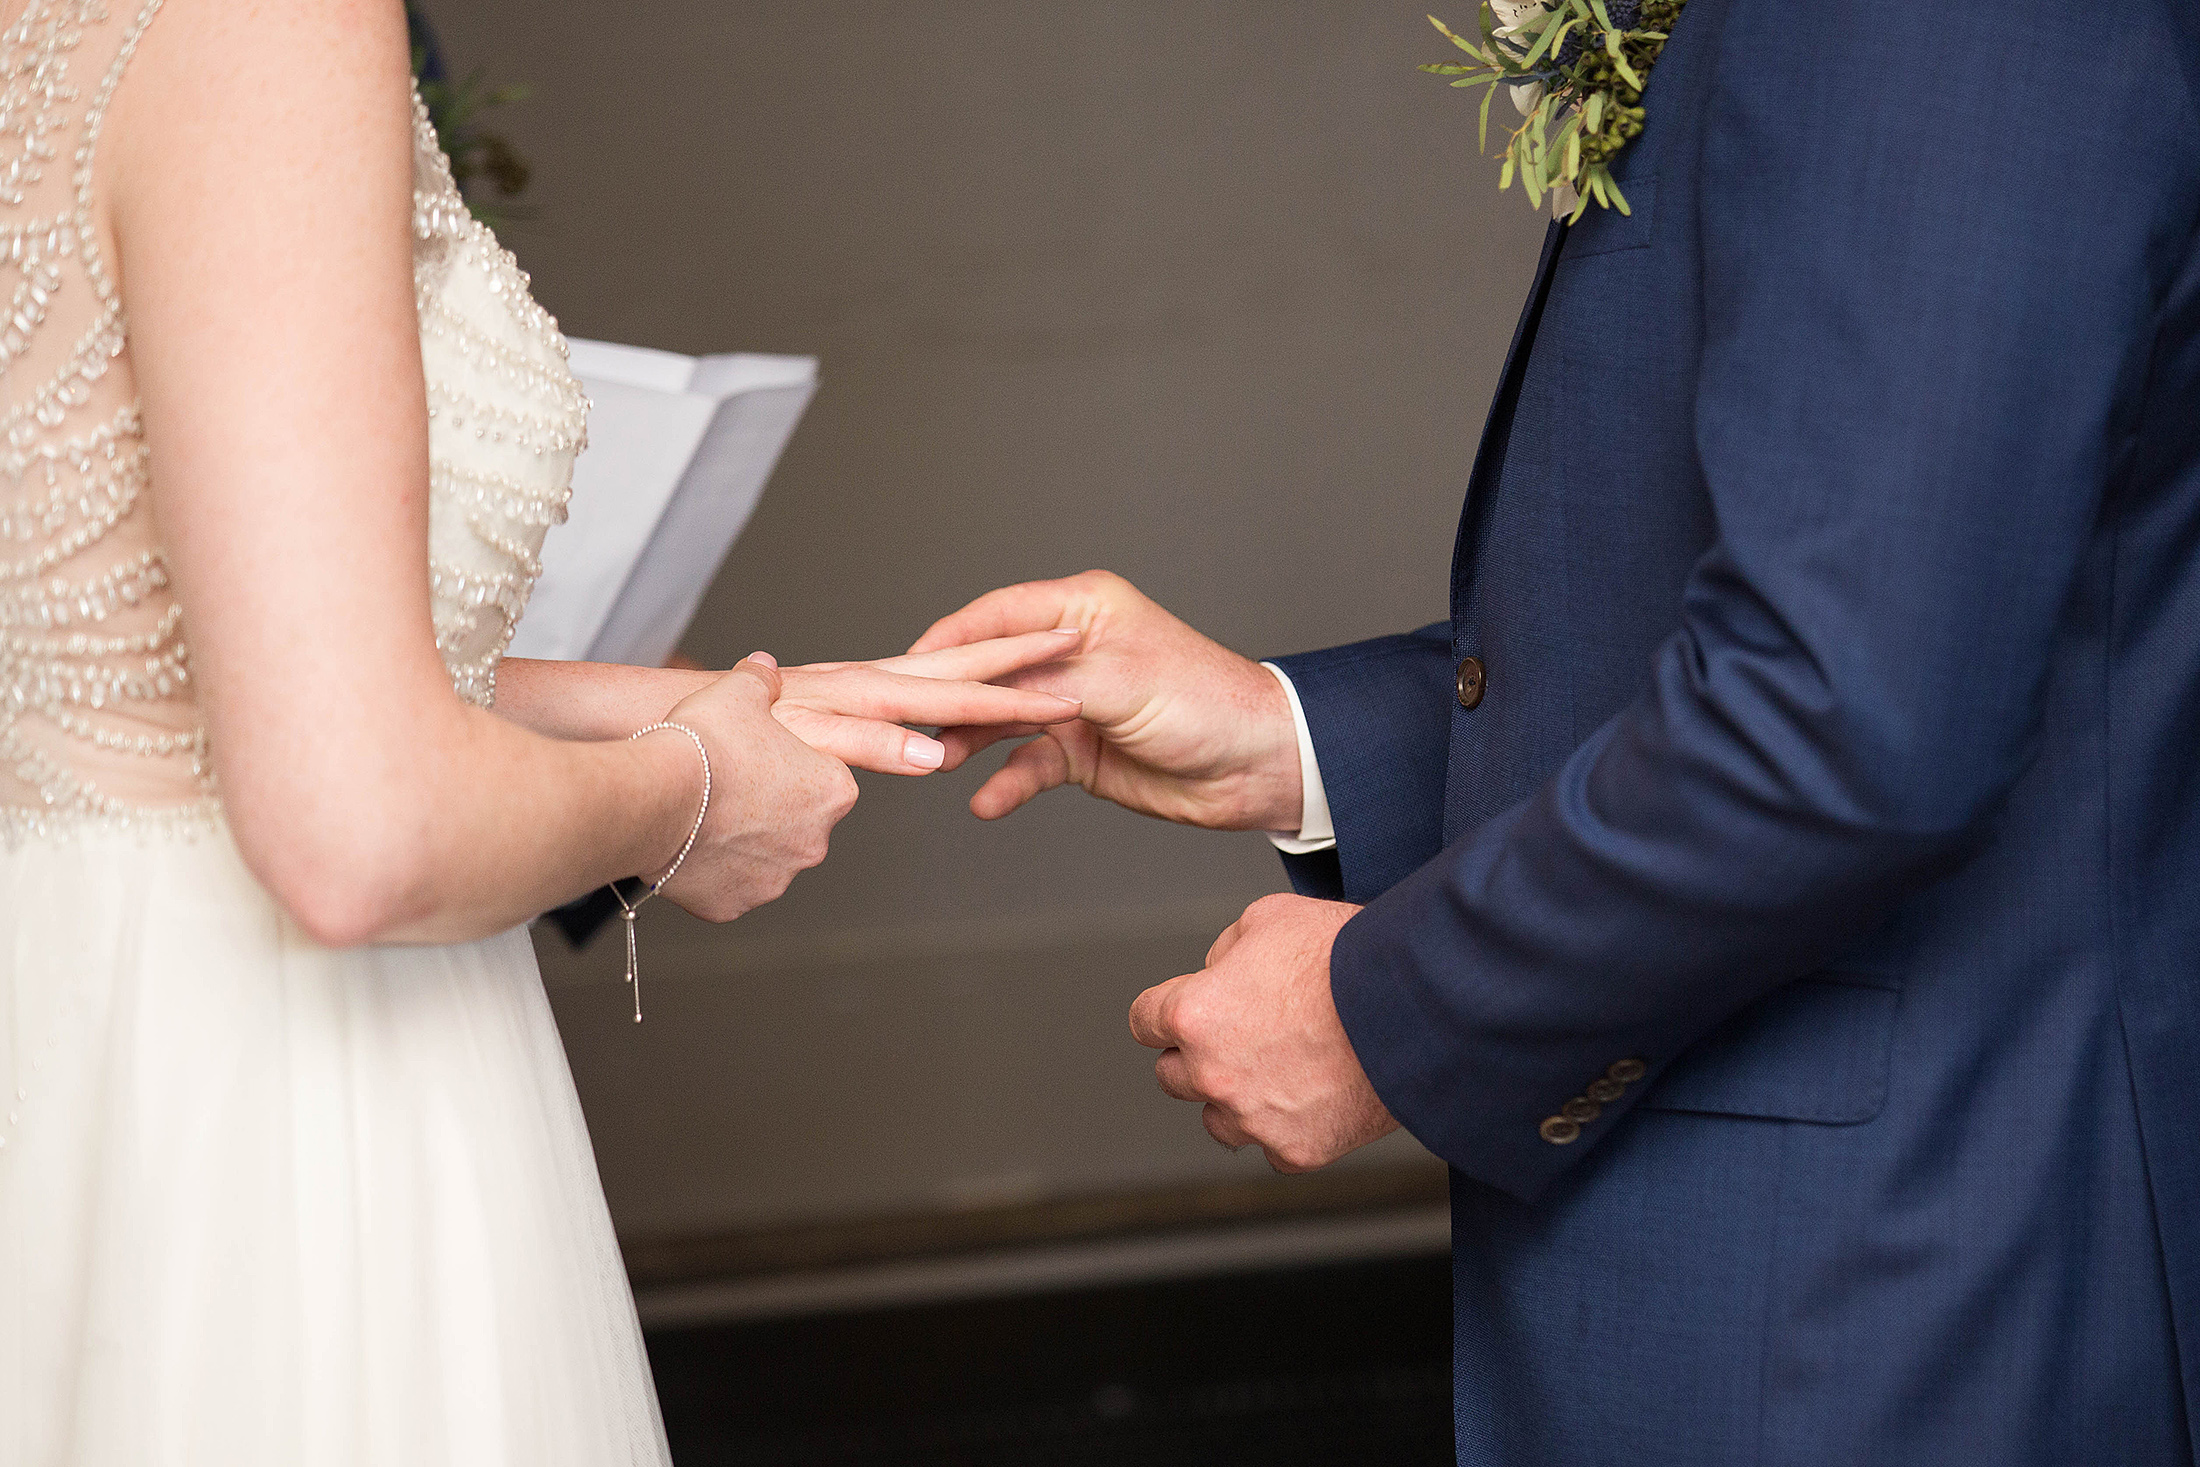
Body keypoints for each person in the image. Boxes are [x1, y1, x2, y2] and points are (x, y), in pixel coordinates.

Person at [915, 0, 2200, 1460]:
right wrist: (1295, 737)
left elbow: (1854, 715)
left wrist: (1387, 1014)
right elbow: (1899, 605)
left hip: (1900, 1277)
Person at [0, 1, 1082, 1461]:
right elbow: (361, 838)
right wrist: (693, 793)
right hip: (260, 1086)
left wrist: (686, 715)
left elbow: (123, 672)